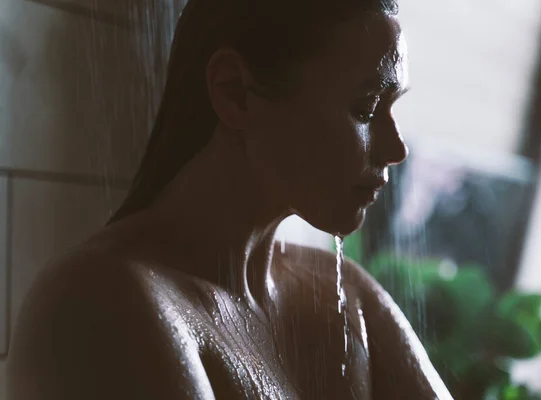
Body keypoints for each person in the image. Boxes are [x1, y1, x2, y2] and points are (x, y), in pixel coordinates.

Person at [7, 0, 453, 398]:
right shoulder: (102, 301)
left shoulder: (342, 294)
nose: (396, 149)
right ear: (234, 93)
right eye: (367, 107)